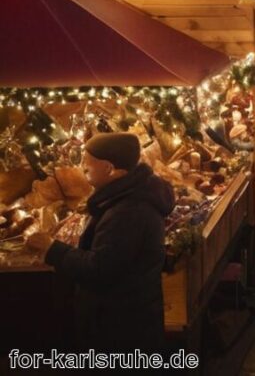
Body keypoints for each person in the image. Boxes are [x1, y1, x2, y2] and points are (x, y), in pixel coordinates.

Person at [26, 132, 174, 353]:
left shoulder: (128, 211)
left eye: (88, 165)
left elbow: (100, 268)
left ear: (108, 168)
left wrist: (51, 248)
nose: (84, 170)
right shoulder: (129, 196)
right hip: (131, 320)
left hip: (121, 331)